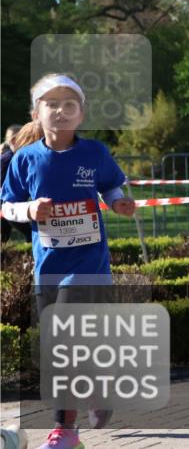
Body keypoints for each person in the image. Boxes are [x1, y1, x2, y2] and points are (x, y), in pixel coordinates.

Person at [1, 74, 136, 449]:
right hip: (49, 267)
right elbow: (6, 206)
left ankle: (65, 431)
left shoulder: (94, 153)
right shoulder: (25, 159)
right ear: (36, 113)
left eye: (69, 104)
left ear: (81, 114)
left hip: (89, 266)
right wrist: (30, 209)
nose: (60, 110)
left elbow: (110, 185)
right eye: (51, 104)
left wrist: (117, 201)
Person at [2, 124, 30, 243]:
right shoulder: (9, 159)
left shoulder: (14, 157)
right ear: (14, 140)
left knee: (4, 236)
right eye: (25, 137)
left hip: (7, 203)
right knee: (30, 232)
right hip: (6, 203)